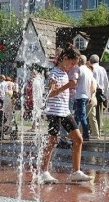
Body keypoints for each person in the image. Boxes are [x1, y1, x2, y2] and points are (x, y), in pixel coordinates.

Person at [39, 43, 93, 184]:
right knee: (52, 141)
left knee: (78, 139)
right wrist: (67, 86)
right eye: (72, 63)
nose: (72, 66)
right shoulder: (54, 72)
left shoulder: (64, 73)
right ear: (66, 58)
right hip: (54, 112)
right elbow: (50, 93)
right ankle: (44, 172)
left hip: (64, 111)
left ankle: (76, 172)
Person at [75, 55, 95, 141]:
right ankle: (75, 133)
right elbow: (91, 86)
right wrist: (90, 96)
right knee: (78, 116)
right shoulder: (89, 71)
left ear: (79, 60)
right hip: (86, 96)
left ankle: (86, 134)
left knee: (82, 116)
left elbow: (74, 81)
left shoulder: (79, 69)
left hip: (80, 95)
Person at [90, 54, 109, 137]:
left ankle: (92, 130)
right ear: (99, 61)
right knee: (99, 113)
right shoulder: (102, 69)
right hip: (100, 92)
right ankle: (98, 131)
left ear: (90, 61)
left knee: (90, 112)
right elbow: (106, 82)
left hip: (92, 92)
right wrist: (105, 95)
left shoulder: (91, 69)